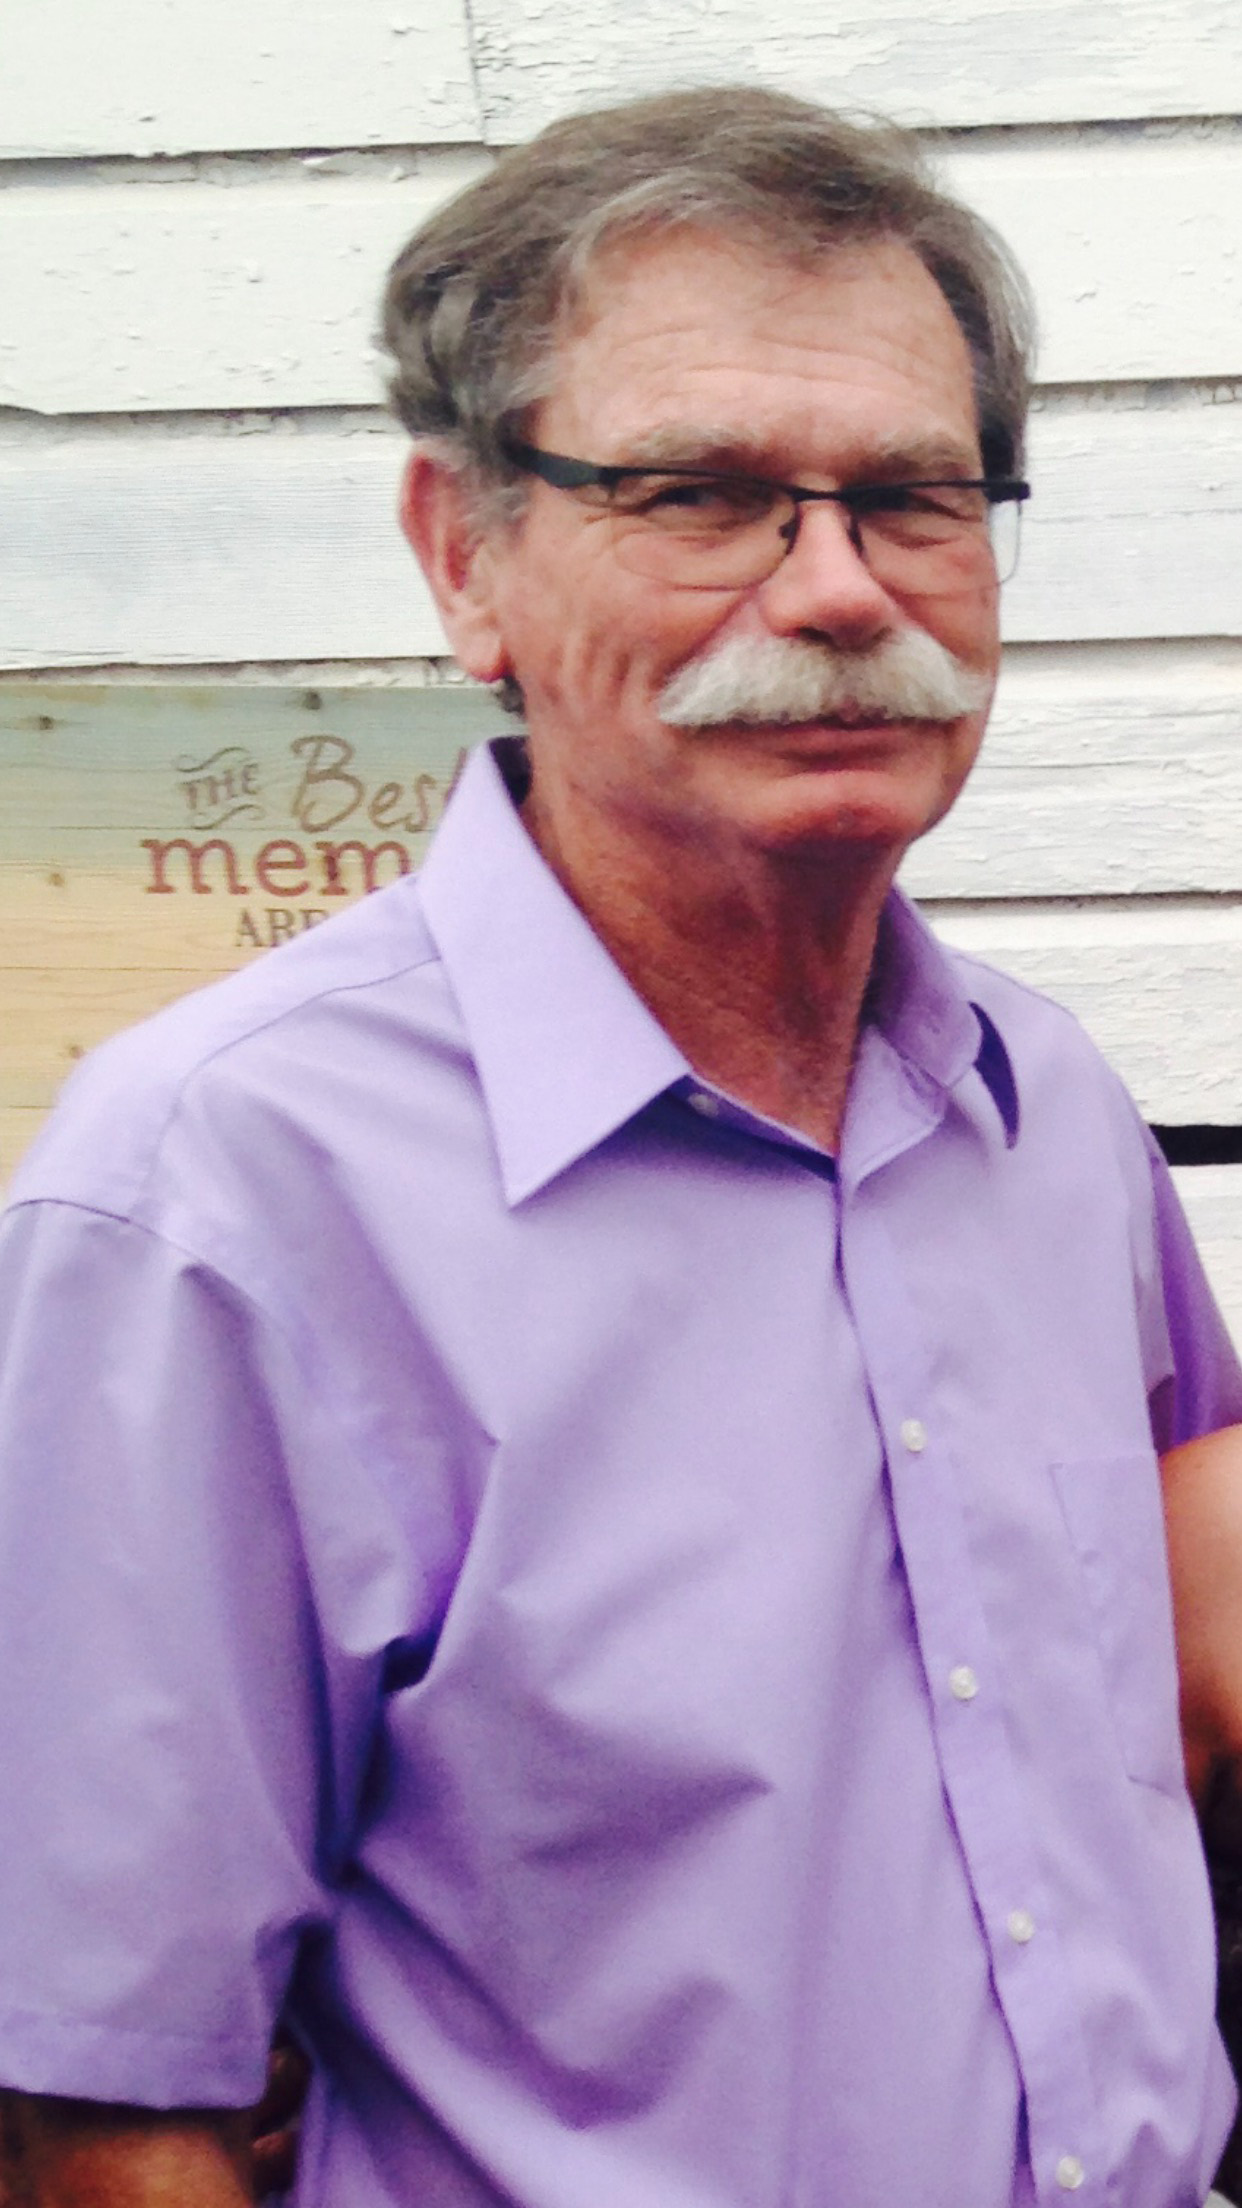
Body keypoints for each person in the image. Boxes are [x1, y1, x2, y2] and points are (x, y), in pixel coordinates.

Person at [0, 84, 1240, 2208]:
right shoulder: (217, 1195)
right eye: (704, 494)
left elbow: (1190, 1644)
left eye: (913, 497)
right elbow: (111, 2105)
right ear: (462, 554)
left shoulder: (1039, 1106)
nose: (838, 589)